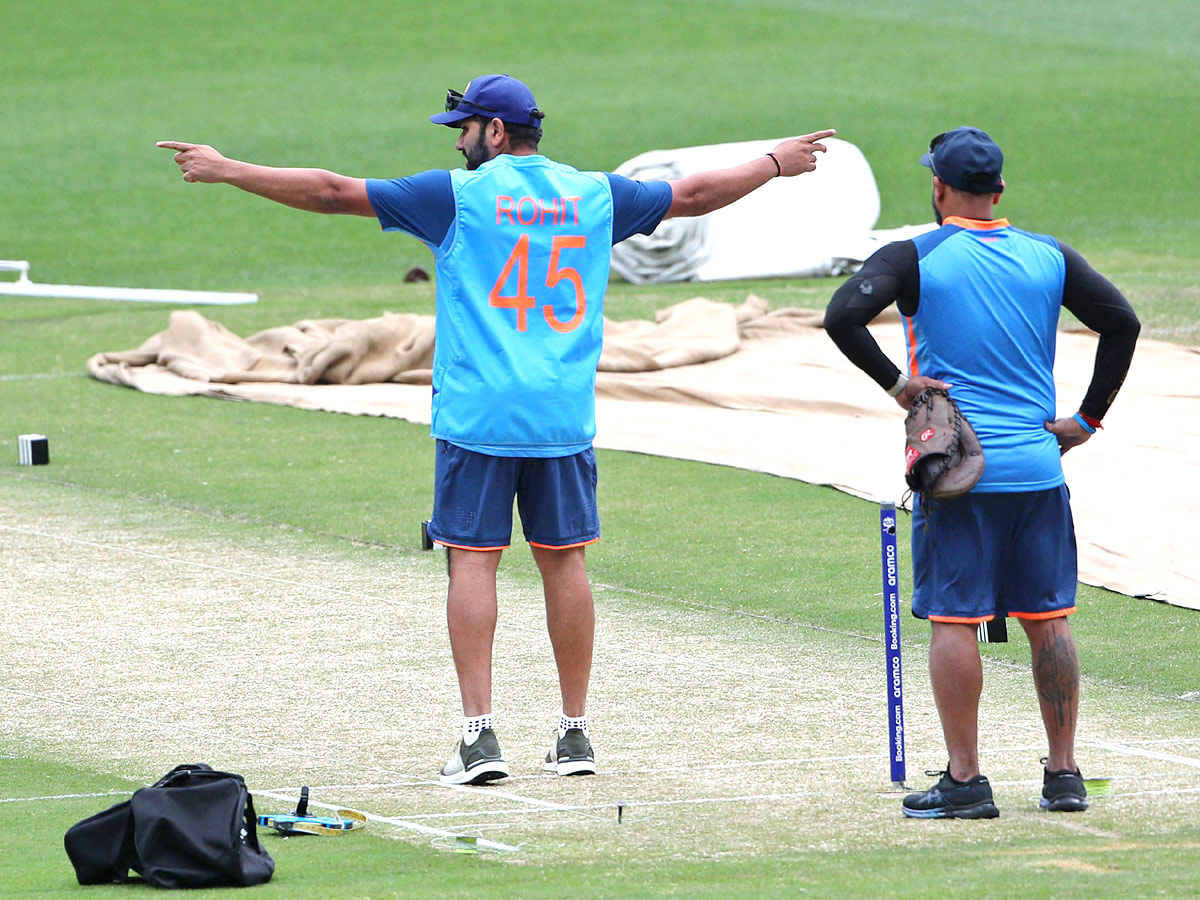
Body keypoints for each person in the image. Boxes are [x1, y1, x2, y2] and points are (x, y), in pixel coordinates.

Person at [158, 74, 835, 785]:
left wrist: (227, 169)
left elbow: (331, 192)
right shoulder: (596, 194)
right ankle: (575, 735)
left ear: (497, 132)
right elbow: (693, 195)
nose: (458, 140)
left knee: (474, 562)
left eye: (463, 127)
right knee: (564, 562)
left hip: (479, 417)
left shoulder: (455, 196)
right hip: (563, 418)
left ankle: (479, 738)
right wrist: (773, 162)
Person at [824, 126, 1139, 818]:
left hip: (958, 472)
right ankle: (1063, 776)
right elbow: (1122, 322)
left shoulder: (917, 254)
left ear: (937, 189)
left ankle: (965, 780)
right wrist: (1085, 420)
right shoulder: (1048, 255)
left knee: (953, 620)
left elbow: (843, 314)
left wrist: (899, 386)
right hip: (1037, 469)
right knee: (1048, 618)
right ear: (999, 190)